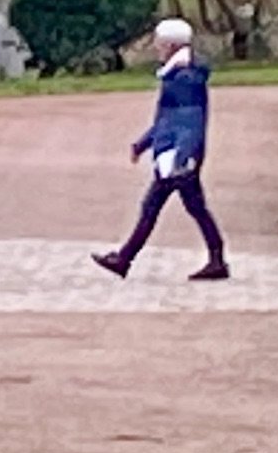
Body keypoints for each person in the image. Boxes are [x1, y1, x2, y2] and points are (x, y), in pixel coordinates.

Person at [93, 16, 229, 281]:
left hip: (177, 155)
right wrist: (144, 143)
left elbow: (188, 119)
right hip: (178, 151)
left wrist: (181, 153)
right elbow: (169, 119)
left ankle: (124, 259)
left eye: (159, 42)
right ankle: (216, 259)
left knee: (152, 206)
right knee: (194, 207)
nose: (156, 47)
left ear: (170, 45)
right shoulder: (179, 74)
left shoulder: (183, 78)